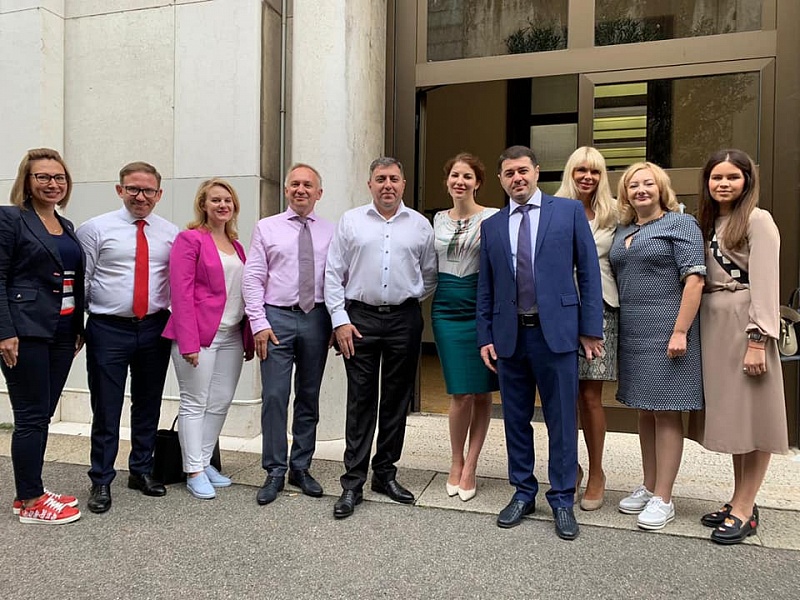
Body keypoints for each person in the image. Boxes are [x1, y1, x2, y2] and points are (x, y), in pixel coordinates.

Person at [476, 145, 604, 541]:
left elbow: (589, 272)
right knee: (515, 419)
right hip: (510, 336)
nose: (517, 178)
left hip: (557, 334)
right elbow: (486, 286)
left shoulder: (567, 212)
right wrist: (485, 335)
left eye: (523, 171)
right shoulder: (492, 226)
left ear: (536, 172)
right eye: (509, 173)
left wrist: (590, 328)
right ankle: (523, 492)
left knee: (562, 419)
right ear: (501, 180)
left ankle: (562, 498)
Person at [325, 156, 437, 519]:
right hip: (359, 320)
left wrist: (404, 300)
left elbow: (429, 276)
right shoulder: (351, 221)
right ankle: (352, 482)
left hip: (404, 319)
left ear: (403, 184)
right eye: (380, 178)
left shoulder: (420, 226)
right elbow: (333, 273)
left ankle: (385, 473)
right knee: (360, 401)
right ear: (370, 184)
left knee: (396, 399)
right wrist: (340, 320)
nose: (387, 185)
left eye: (393, 179)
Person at [695, 149, 787, 544]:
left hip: (746, 326)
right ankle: (738, 498)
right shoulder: (708, 221)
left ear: (747, 180)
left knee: (756, 417)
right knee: (737, 420)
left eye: (732, 177)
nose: (723, 184)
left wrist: (757, 340)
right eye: (717, 177)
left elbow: (766, 282)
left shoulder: (757, 219)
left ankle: (747, 508)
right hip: (715, 326)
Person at [77, 161, 179, 514]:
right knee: (106, 406)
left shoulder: (170, 233)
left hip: (154, 327)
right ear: (120, 190)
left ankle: (141, 470)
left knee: (148, 402)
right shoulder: (95, 229)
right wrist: (84, 323)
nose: (140, 196)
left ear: (159, 194)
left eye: (148, 190)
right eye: (133, 189)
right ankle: (101, 479)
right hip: (109, 328)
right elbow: (83, 280)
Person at [609, 162, 705, 531]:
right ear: (626, 193)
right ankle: (649, 486)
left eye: (648, 183)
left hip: (668, 331)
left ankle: (664, 498)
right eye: (633, 185)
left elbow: (694, 280)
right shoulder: (625, 229)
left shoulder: (681, 223)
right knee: (645, 410)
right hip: (633, 332)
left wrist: (680, 331)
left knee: (666, 412)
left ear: (661, 188)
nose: (641, 190)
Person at [242, 163, 334, 506]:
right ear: (286, 190)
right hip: (276, 319)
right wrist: (258, 323)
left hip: (317, 318)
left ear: (319, 193)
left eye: (308, 185)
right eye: (295, 184)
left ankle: (301, 466)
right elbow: (253, 277)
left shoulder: (332, 231)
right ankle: (275, 470)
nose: (301, 190)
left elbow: (337, 279)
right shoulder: (266, 228)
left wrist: (335, 321)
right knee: (275, 396)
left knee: (308, 396)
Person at [0, 148, 84, 524]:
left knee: (42, 414)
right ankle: (32, 500)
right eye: (43, 177)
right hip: (26, 331)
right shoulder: (11, 219)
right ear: (27, 181)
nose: (53, 184)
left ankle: (29, 492)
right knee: (31, 415)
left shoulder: (65, 225)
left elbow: (72, 280)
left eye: (59, 177)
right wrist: (5, 332)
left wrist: (78, 326)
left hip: (63, 331)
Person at [162, 179, 254, 500]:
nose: (222, 205)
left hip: (231, 335)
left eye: (228, 200)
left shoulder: (236, 245)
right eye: (215, 200)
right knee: (194, 402)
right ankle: (193, 471)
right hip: (200, 336)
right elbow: (181, 293)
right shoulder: (190, 239)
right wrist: (188, 342)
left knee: (220, 401)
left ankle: (203, 460)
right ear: (203, 205)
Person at [431, 153, 499, 502]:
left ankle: (471, 465)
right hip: (446, 308)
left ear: (478, 182)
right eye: (455, 175)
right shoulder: (437, 220)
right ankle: (456, 460)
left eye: (467, 176)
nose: (460, 181)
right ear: (447, 181)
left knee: (482, 392)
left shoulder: (493, 217)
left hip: (480, 306)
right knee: (460, 393)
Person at [555, 147, 619, 511]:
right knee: (563, 395)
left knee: (590, 397)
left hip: (601, 310)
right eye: (580, 170)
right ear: (570, 172)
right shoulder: (554, 209)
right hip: (560, 311)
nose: (587, 177)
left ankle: (597, 472)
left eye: (594, 171)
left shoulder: (616, 213)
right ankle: (571, 467)